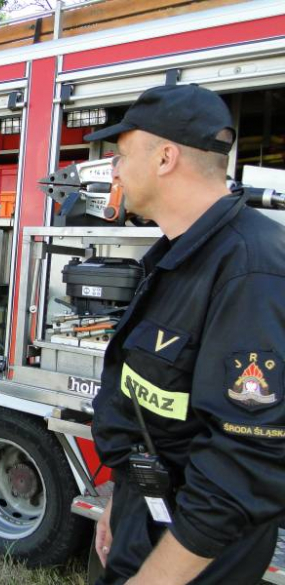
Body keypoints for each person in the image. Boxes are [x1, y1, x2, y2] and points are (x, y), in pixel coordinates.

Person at [85, 84, 285, 584]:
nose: (114, 171)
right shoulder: (182, 253)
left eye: (122, 155)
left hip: (196, 559)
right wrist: (121, 500)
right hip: (147, 516)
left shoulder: (250, 268)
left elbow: (243, 464)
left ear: (166, 157)